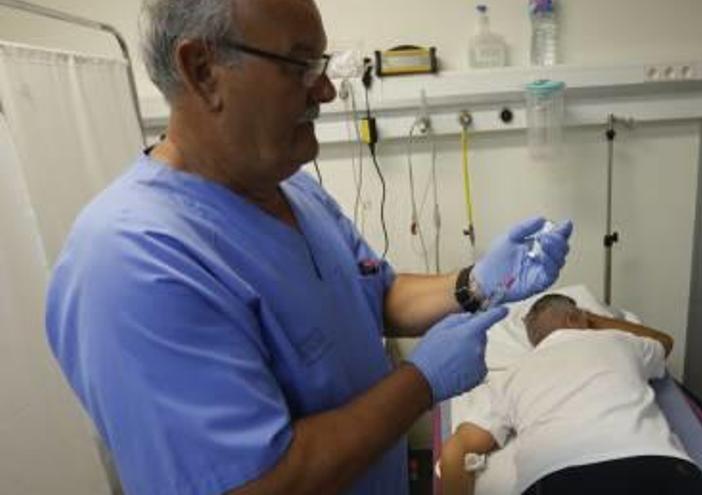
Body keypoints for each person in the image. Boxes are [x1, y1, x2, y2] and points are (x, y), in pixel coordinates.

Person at [43, 1, 574, 494]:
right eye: (298, 66)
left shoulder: (291, 187)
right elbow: (255, 483)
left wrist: (476, 281)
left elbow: (375, 292)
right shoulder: (132, 263)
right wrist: (420, 381)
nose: (325, 91)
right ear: (203, 70)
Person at [440, 294, 702, 495]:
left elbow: (457, 449)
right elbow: (663, 342)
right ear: (575, 317)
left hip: (560, 479)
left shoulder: (512, 374)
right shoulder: (617, 341)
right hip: (661, 469)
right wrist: (594, 319)